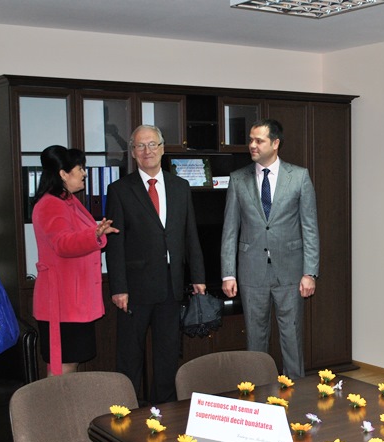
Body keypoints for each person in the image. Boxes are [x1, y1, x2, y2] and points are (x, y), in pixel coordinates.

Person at [105, 125, 206, 403]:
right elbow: (115, 243)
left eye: (152, 144)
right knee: (130, 356)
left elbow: (190, 235)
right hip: (134, 289)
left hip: (171, 286)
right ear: (132, 152)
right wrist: (118, 288)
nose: (147, 151)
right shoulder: (119, 190)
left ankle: (165, 411)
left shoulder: (180, 187)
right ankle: (125, 411)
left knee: (168, 355)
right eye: (140, 146)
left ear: (162, 148)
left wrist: (198, 277)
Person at [220, 119, 320, 380]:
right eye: (250, 140)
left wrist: (310, 272)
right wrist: (228, 274)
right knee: (255, 340)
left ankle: (297, 394)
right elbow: (230, 230)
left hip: (291, 272)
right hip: (251, 272)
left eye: (259, 140)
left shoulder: (299, 176)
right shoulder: (238, 179)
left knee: (292, 338)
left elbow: (310, 228)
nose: (252, 145)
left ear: (275, 143)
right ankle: (257, 393)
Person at [31, 145, 117, 376]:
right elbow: (63, 243)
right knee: (63, 364)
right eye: (80, 168)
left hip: (74, 300)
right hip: (62, 300)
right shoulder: (51, 203)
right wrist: (95, 234)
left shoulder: (67, 200)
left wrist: (96, 233)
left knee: (71, 362)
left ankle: (66, 401)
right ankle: (56, 402)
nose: (84, 173)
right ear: (63, 174)